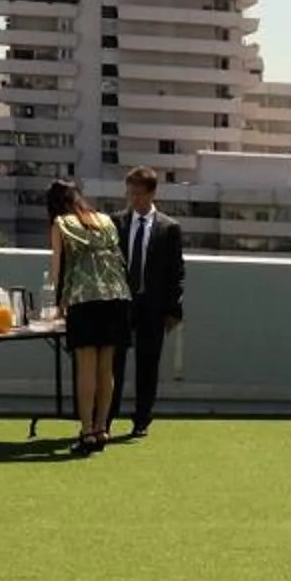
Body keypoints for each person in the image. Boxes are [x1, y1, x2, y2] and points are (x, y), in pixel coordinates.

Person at [46, 177, 131, 456]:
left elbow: (57, 269)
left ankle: (87, 432)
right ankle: (102, 428)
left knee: (86, 368)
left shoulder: (61, 224)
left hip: (84, 299)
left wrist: (58, 304)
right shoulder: (105, 220)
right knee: (107, 368)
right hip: (116, 296)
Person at [109, 167, 185, 440]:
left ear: (152, 193)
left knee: (148, 364)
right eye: (130, 193)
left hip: (152, 306)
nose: (134, 199)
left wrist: (173, 309)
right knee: (113, 364)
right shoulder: (115, 223)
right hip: (120, 305)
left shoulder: (168, 228)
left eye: (139, 194)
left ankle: (142, 418)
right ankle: (106, 418)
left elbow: (176, 272)